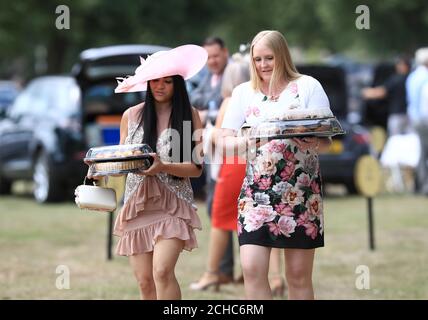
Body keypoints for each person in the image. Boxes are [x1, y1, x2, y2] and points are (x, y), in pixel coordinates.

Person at [87, 45, 207, 300]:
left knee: (162, 272)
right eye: (155, 80)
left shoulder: (190, 116)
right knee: (144, 282)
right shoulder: (131, 115)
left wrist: (163, 166)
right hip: (137, 204)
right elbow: (122, 163)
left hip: (173, 203)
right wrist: (100, 171)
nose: (160, 86)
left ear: (178, 84)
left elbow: (196, 169)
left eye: (167, 81)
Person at [219, 30, 332, 300]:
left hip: (301, 194)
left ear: (282, 56)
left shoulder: (308, 86)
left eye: (269, 58)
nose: (263, 65)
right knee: (251, 268)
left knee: (297, 276)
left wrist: (309, 141)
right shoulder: (243, 92)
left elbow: (327, 140)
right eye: (257, 59)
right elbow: (224, 142)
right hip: (256, 193)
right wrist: (253, 139)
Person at [189, 53, 249, 291]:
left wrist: (209, 133)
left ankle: (212, 272)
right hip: (253, 164)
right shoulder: (255, 100)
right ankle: (258, 275)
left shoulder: (230, 101)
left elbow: (222, 137)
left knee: (220, 220)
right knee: (249, 221)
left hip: (232, 165)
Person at [361, 56, 411, 136]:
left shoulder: (397, 79)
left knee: (395, 139)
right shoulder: (411, 78)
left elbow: (382, 92)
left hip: (397, 114)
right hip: (409, 115)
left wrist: (367, 93)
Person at [406, 47, 428, 194]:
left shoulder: (412, 76)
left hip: (415, 118)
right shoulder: (425, 77)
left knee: (422, 151)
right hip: (425, 118)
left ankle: (420, 183)